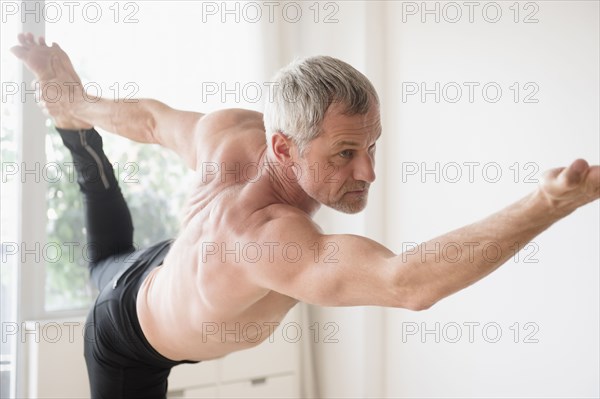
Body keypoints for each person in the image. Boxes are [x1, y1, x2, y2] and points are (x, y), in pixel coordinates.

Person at [11, 33, 600, 399]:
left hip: (158, 266)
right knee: (103, 277)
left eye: (372, 146)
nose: (368, 172)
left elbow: (149, 120)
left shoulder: (236, 131)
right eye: (345, 154)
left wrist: (76, 102)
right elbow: (409, 284)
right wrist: (546, 204)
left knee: (107, 263)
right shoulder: (270, 241)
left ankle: (69, 122)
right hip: (129, 341)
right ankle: (71, 127)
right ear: (285, 148)